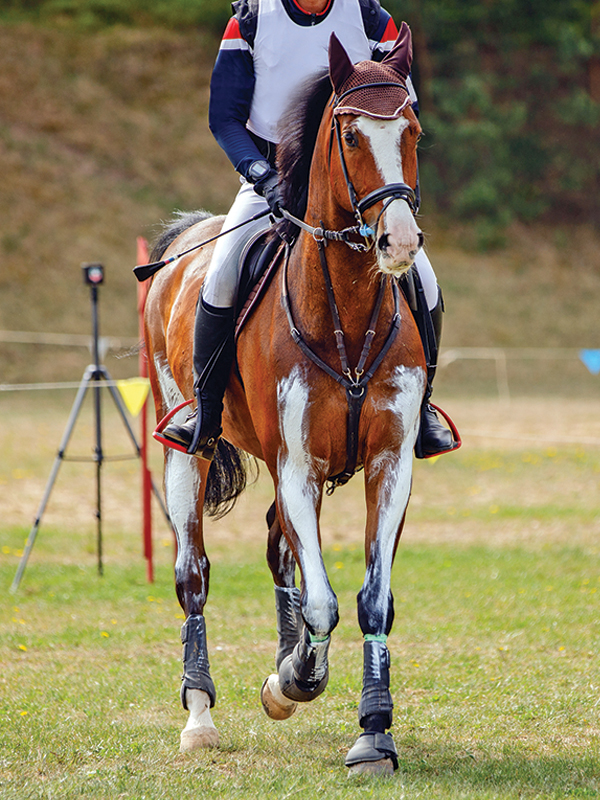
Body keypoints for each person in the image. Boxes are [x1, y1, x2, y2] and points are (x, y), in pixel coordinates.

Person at [161, 0, 455, 459]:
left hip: (353, 187)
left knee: (426, 282)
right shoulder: (251, 21)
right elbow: (224, 117)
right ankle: (206, 409)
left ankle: (424, 408)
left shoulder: (372, 20)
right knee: (220, 277)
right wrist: (262, 174)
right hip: (269, 180)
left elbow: (402, 109)